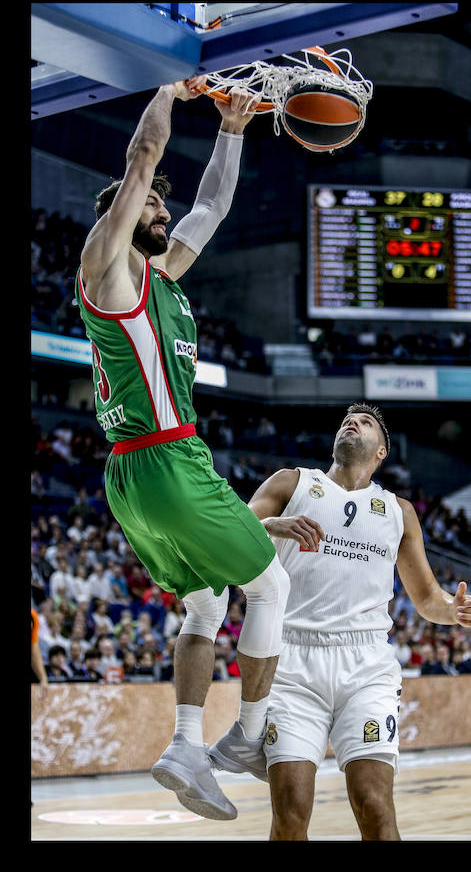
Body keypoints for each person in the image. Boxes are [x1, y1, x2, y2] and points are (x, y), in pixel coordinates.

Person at [74, 76, 290, 821]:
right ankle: (249, 740)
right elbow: (141, 157)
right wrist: (169, 87)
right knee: (270, 589)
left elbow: (213, 206)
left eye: (163, 206)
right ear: (122, 217)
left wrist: (231, 127)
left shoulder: (161, 275)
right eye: (151, 206)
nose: (164, 210)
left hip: (135, 477)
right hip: (165, 457)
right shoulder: (107, 266)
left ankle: (185, 748)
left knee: (205, 606)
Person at [243, 402, 471, 840]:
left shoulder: (398, 511)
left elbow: (428, 597)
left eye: (366, 422)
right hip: (293, 664)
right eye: (347, 420)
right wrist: (273, 525)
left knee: (374, 804)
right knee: (291, 813)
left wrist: (454, 610)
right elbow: (228, 534)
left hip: (365, 667)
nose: (352, 423)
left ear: (381, 452)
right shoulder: (293, 482)